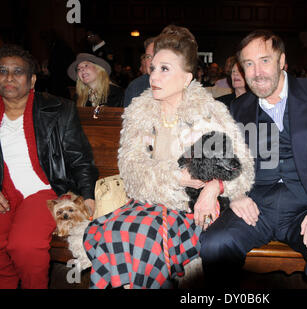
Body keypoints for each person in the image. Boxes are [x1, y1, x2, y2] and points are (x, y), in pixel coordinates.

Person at [83, 25, 254, 289]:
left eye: (165, 69)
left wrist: (214, 187)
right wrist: (176, 176)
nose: (155, 76)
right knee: (111, 233)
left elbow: (242, 169)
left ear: (186, 78)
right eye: (153, 68)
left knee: (142, 237)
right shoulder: (139, 111)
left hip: (192, 210)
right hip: (145, 204)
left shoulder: (209, 111)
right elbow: (130, 169)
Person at [200, 30, 307, 289]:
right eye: (249, 64)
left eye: (265, 60)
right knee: (215, 243)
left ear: (282, 61)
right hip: (256, 206)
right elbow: (222, 160)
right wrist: (235, 193)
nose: (257, 72)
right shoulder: (238, 108)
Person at [0, 44, 98, 289]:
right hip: (5, 192)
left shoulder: (58, 109)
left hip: (46, 189)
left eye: (18, 71)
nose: (9, 77)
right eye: (2, 71)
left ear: (32, 80)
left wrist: (87, 195)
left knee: (25, 245)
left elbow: (80, 157)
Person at [123, 37, 155, 108]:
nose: (152, 62)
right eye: (148, 57)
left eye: (156, 55)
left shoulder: (179, 84)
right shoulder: (136, 86)